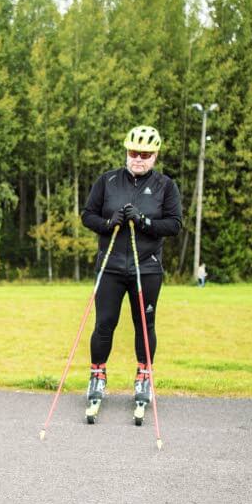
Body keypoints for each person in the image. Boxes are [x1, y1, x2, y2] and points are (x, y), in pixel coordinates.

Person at [80, 125, 183, 404]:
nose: (138, 158)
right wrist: (108, 222)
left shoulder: (165, 185)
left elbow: (173, 225)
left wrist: (144, 222)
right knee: (104, 323)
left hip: (146, 268)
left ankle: (143, 376)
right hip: (110, 266)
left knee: (144, 324)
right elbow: (87, 215)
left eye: (145, 154)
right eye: (133, 152)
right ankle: (97, 375)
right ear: (126, 152)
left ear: (155, 156)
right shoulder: (108, 181)